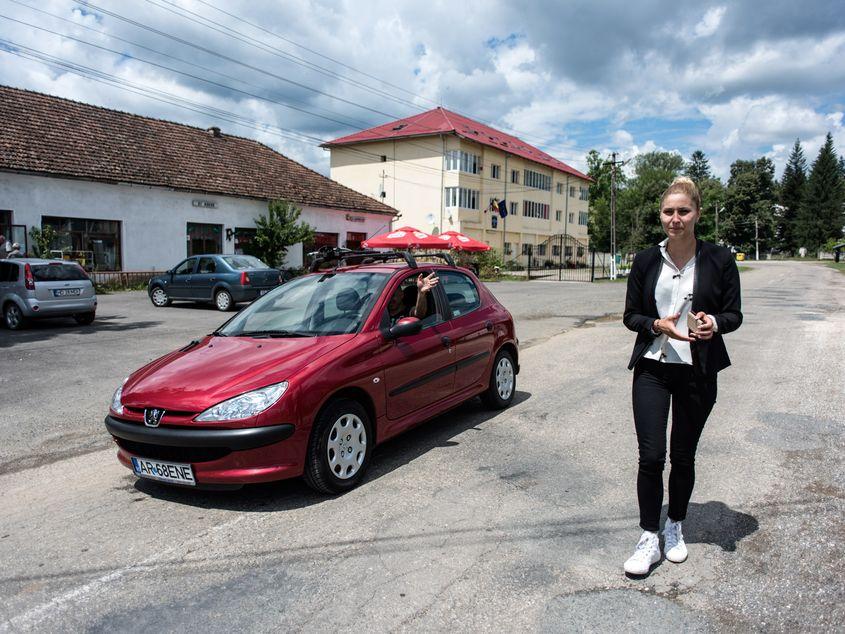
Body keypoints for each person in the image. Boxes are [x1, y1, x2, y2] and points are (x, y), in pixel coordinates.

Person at [621, 176, 742, 576]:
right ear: (661, 215)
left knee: (683, 456)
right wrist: (657, 323)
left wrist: (713, 324)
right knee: (651, 456)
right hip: (653, 368)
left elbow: (734, 313)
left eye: (683, 211)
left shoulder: (719, 259)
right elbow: (630, 317)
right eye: (669, 211)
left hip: (697, 371)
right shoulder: (644, 260)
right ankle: (648, 537)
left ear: (697, 214)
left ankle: (675, 525)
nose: (675, 218)